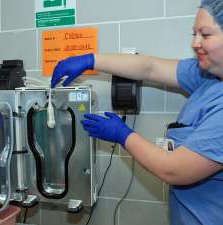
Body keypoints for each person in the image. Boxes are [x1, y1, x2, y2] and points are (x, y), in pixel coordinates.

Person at [50, 0, 223, 224]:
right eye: (194, 33)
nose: (195, 42)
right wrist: (91, 59)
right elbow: (151, 67)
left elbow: (174, 170)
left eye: (206, 34)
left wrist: (122, 135)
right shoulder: (209, 76)